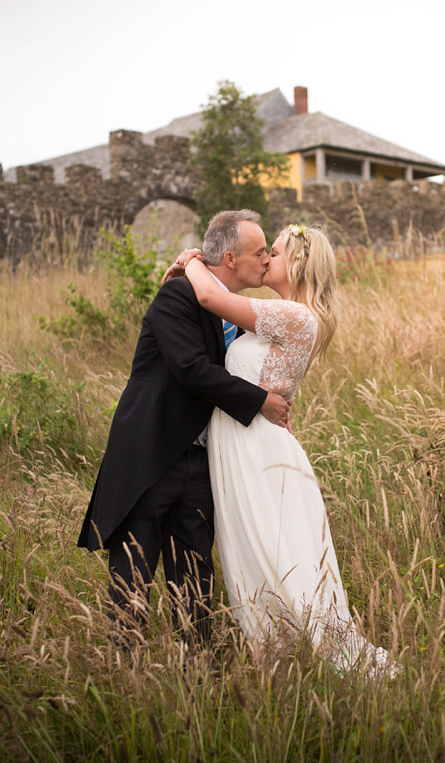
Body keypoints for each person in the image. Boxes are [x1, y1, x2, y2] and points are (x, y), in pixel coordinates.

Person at [171, 224, 394, 675]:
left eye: (272, 252)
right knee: (252, 554)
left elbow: (212, 299)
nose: (264, 259)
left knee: (282, 557)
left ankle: (330, 659)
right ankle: (279, 658)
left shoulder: (295, 316)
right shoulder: (279, 312)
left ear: (296, 263)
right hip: (241, 446)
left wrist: (191, 259)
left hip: (258, 452)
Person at [77, 210, 291, 645]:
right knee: (131, 580)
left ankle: (199, 675)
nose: (265, 261)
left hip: (202, 462)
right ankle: (125, 674)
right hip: (152, 457)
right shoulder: (177, 295)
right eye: (257, 253)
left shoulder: (237, 309)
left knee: (196, 581)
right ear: (229, 258)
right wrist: (260, 402)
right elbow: (190, 369)